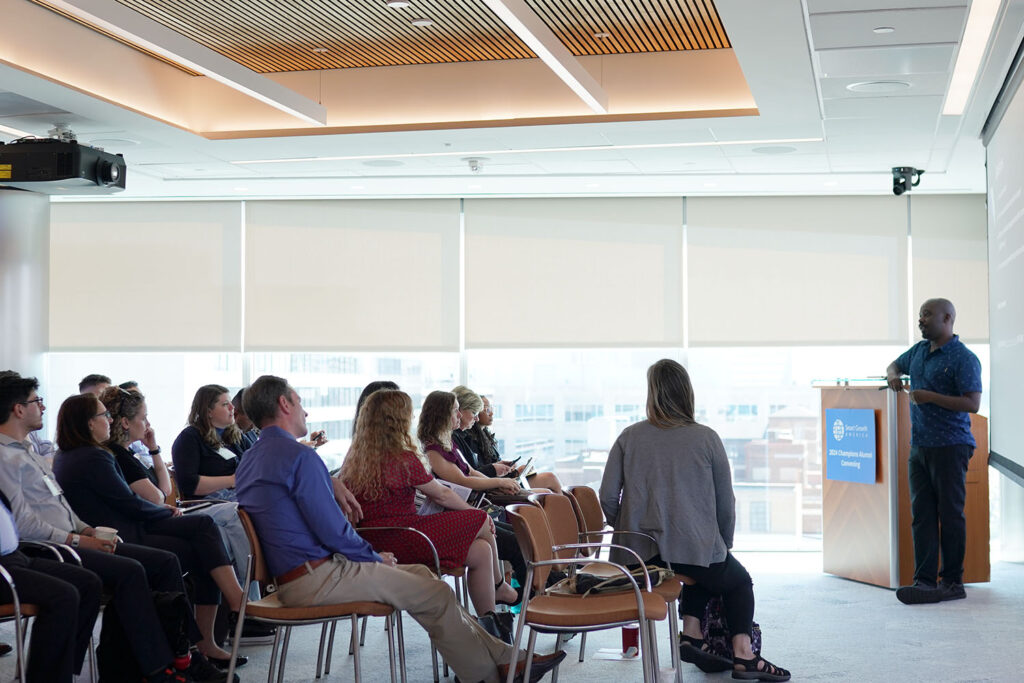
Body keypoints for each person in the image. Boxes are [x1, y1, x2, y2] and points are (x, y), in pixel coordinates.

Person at [235, 374, 564, 683]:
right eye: (299, 401)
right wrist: (374, 557)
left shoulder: (251, 458)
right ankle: (489, 675)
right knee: (437, 592)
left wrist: (329, 482)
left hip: (296, 576)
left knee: (422, 575)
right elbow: (332, 531)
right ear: (284, 404)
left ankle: (506, 658)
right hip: (317, 577)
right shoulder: (300, 458)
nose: (305, 411)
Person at [0, 372, 234, 683]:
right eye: (36, 401)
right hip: (48, 547)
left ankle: (176, 656)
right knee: (140, 567)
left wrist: (85, 530)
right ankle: (167, 662)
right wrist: (78, 539)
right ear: (18, 409)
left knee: (181, 547)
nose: (42, 407)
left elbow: (62, 508)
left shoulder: (30, 452)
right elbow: (23, 522)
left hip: (73, 538)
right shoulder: (10, 458)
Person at [600, 359, 790, 682]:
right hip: (693, 552)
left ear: (652, 394)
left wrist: (629, 530)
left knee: (693, 567)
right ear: (687, 394)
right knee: (735, 580)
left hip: (638, 561)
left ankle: (691, 634)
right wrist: (723, 545)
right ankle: (744, 655)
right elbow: (726, 504)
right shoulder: (707, 439)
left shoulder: (628, 438)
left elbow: (606, 496)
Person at [52, 393, 248, 668]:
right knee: (203, 537)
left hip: (126, 525)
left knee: (204, 533)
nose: (109, 420)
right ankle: (202, 635)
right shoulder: (95, 456)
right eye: (103, 416)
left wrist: (162, 506)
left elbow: (141, 498)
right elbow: (130, 502)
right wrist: (164, 511)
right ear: (88, 423)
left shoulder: (74, 454)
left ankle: (205, 636)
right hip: (124, 533)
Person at [340, 389, 517, 625]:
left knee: (481, 550)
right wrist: (475, 513)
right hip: (404, 535)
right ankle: (499, 586)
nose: (412, 418)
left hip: (371, 541)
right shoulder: (402, 457)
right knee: (480, 519)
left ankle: (490, 623)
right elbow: (442, 495)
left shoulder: (354, 458)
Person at [886, 298, 982, 605]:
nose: (921, 320)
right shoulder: (918, 351)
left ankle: (953, 582)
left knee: (950, 515)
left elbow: (972, 403)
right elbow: (894, 365)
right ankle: (925, 582)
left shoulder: (964, 358)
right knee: (922, 515)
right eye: (920, 315)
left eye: (927, 315)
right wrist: (893, 376)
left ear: (947, 318)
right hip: (920, 446)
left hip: (951, 446)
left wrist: (930, 397)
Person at [460, 391, 563, 493]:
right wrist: (495, 469)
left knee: (551, 478)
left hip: (502, 481)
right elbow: (475, 473)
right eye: (487, 410)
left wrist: (514, 471)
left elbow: (493, 469)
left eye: (491, 409)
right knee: (549, 484)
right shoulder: (468, 440)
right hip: (494, 487)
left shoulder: (486, 437)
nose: (492, 413)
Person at [98, 386, 173, 505]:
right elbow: (156, 498)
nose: (148, 424)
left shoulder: (130, 452)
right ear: (125, 422)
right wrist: (161, 496)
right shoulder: (119, 455)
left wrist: (153, 449)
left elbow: (166, 490)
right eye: (143, 418)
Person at [172, 385, 246, 501]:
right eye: (225, 404)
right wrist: (232, 480)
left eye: (231, 403)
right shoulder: (189, 438)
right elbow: (190, 484)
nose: (232, 407)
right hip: (208, 503)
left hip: (240, 495)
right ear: (208, 411)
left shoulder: (236, 436)